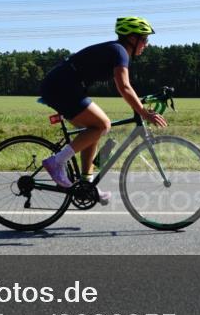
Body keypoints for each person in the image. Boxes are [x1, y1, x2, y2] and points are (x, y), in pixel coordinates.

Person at [39, 16, 166, 205]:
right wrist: (143, 112)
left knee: (93, 130)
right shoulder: (120, 51)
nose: (146, 44)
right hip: (62, 86)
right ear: (132, 38)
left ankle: (86, 185)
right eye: (145, 39)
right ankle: (56, 162)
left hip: (64, 85)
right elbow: (124, 86)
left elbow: (125, 87)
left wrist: (142, 104)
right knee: (102, 124)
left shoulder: (118, 51)